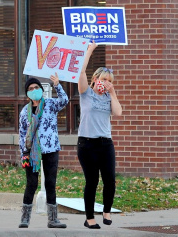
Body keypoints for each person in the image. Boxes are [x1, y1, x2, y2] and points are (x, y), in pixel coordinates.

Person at [77, 41, 122, 229]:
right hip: (87, 144)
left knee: (110, 179)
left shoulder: (108, 97)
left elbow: (118, 112)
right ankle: (89, 219)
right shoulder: (86, 93)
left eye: (110, 80)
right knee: (92, 181)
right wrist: (89, 51)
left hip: (105, 144)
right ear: (96, 79)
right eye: (104, 79)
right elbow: (80, 72)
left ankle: (106, 211)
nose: (107, 83)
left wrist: (113, 93)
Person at [18, 73, 68, 229]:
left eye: (36, 87)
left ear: (41, 89)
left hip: (51, 149)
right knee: (31, 184)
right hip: (31, 152)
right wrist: (23, 154)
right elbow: (21, 134)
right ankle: (25, 219)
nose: (34, 90)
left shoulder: (50, 104)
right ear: (27, 94)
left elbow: (65, 101)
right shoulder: (24, 112)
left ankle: (53, 220)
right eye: (31, 88)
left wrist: (57, 85)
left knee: (51, 183)